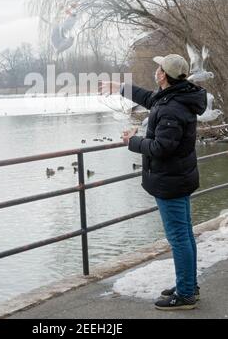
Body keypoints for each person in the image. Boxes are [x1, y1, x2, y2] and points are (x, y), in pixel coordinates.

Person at [100, 54, 207, 310]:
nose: (155, 70)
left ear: (163, 75)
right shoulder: (175, 95)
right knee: (185, 234)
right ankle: (188, 285)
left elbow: (161, 147)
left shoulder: (172, 107)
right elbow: (150, 99)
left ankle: (185, 295)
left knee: (179, 237)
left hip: (170, 180)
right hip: (178, 176)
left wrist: (132, 142)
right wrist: (121, 88)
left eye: (158, 68)